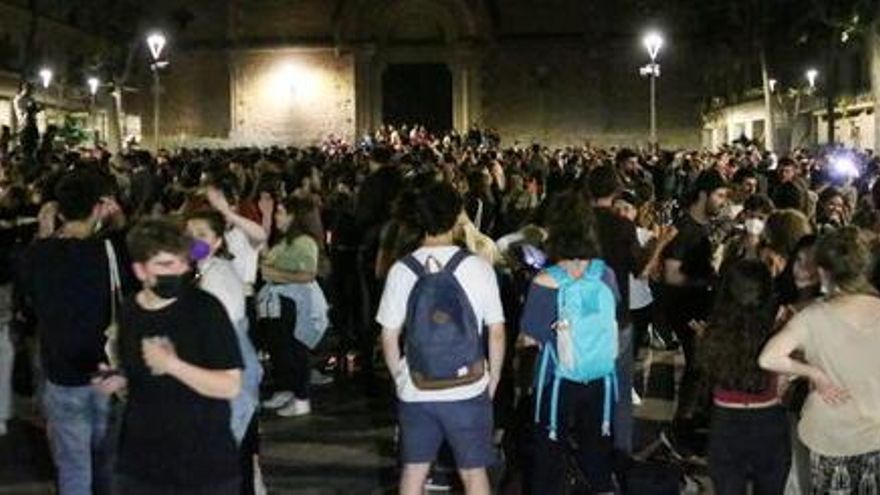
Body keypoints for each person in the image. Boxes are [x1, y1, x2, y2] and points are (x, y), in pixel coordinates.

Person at [93, 218, 243, 495]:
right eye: (164, 265)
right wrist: (118, 380)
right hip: (142, 466)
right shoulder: (130, 311)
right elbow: (139, 377)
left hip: (203, 467)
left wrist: (173, 365)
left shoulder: (205, 310)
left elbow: (230, 385)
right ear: (140, 271)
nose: (176, 272)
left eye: (182, 263)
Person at [376, 181, 506, 495]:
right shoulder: (477, 267)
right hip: (468, 384)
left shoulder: (401, 270)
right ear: (455, 216)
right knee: (474, 474)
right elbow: (497, 332)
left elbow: (389, 335)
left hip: (418, 386)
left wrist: (400, 378)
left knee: (413, 473)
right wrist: (492, 379)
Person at [18, 169, 125, 495]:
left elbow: (28, 303)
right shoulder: (113, 252)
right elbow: (187, 257)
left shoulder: (36, 255)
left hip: (61, 374)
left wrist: (44, 234)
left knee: (74, 468)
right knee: (107, 466)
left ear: (59, 209)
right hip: (108, 372)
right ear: (99, 206)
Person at [760, 227, 880, 493]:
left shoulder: (813, 316)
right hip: (875, 433)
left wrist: (814, 373)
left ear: (825, 271)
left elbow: (769, 358)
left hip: (830, 436)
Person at [520, 191, 621, 494]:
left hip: (557, 379)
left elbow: (530, 337)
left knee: (548, 455)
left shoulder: (544, 281)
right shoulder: (606, 275)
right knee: (597, 450)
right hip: (601, 377)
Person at [186, 210, 265, 495]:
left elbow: (222, 336)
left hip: (229, 373)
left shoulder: (216, 277)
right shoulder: (207, 269)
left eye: (202, 235)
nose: (194, 240)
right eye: (190, 234)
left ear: (218, 241)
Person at [699, 260, 789, 495]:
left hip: (725, 419)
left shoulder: (716, 326)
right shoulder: (779, 323)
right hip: (768, 417)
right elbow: (784, 379)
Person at [661, 170, 729, 429]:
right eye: (719, 195)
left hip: (698, 307)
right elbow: (672, 275)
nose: (723, 201)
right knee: (696, 369)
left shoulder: (702, 227)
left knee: (700, 369)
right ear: (704, 194)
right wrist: (707, 281)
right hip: (686, 311)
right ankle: (682, 425)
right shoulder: (684, 229)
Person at [258, 196, 325, 417]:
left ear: (293, 216)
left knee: (294, 350)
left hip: (293, 302)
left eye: (280, 212)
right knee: (280, 348)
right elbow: (267, 257)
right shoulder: (286, 240)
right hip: (280, 302)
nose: (278, 216)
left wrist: (274, 274)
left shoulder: (304, 242)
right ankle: (286, 389)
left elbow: (308, 274)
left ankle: (301, 397)